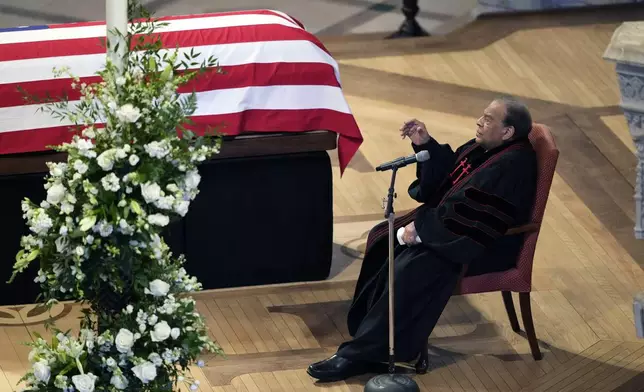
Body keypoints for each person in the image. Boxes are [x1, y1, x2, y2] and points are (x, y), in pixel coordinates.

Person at [307, 96, 538, 382]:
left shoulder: (512, 165)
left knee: (408, 269)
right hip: (457, 231)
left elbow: (478, 217)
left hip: (484, 245)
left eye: (489, 119)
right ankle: (374, 339)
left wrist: (423, 230)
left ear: (507, 132)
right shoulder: (490, 149)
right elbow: (455, 175)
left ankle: (366, 354)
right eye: (482, 115)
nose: (479, 121)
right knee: (386, 239)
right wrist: (425, 144)